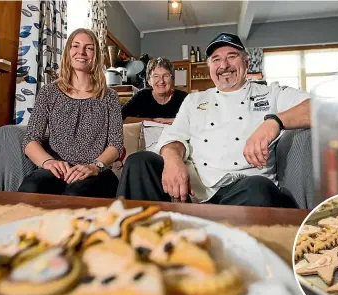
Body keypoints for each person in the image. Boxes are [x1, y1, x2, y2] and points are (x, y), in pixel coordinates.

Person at [117, 32, 311, 207]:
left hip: (242, 189)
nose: (224, 65)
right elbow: (174, 136)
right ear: (209, 67)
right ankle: (136, 239)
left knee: (260, 189)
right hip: (192, 189)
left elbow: (320, 107)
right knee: (138, 162)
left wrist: (274, 121)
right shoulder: (195, 100)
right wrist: (173, 160)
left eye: (231, 57)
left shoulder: (271, 93)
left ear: (247, 62)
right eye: (216, 59)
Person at [18, 28, 123, 198]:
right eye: (76, 46)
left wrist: (95, 166)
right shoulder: (48, 92)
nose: (81, 52)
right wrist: (49, 162)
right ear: (68, 51)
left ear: (96, 55)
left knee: (75, 195)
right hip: (58, 169)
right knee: (30, 190)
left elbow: (115, 144)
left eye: (89, 48)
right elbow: (31, 139)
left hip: (96, 172)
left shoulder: (109, 96)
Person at [121, 57, 188, 124]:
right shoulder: (142, 96)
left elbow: (195, 120)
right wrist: (152, 120)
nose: (161, 81)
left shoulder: (184, 98)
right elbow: (122, 119)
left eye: (166, 76)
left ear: (172, 79)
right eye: (156, 76)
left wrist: (168, 120)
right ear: (149, 81)